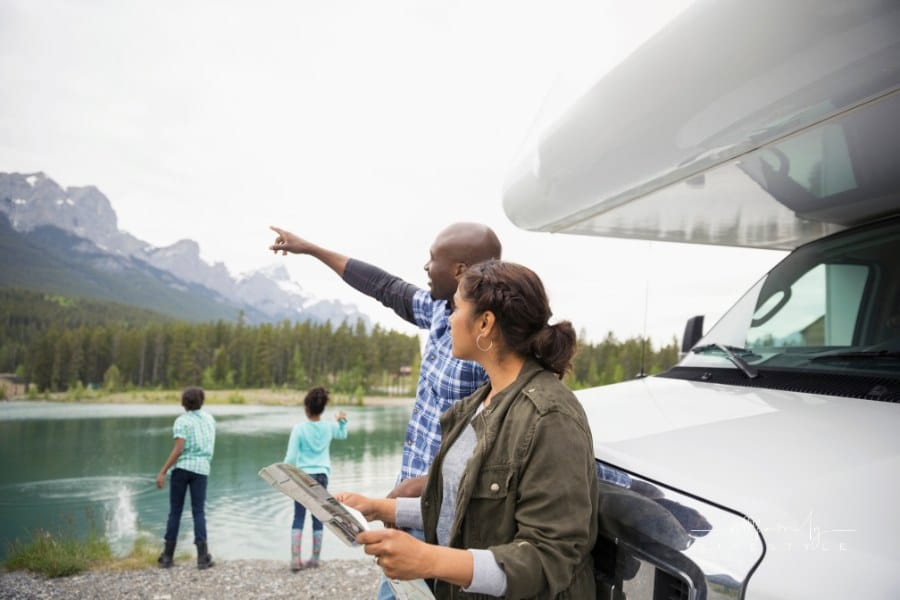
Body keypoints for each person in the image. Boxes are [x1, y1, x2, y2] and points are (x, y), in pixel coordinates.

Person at [337, 260, 600, 599]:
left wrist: (428, 559)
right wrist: (378, 508)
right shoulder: (476, 405)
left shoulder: (550, 417)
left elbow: (550, 557)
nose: (449, 319)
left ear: (485, 323)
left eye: (457, 308)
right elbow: (459, 507)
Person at [270, 222, 501, 599]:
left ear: (460, 270)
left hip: (447, 515)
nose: (425, 267)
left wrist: (428, 482)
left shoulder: (490, 335)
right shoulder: (443, 311)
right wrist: (310, 248)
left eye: (433, 259)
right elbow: (384, 286)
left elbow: (498, 440)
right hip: (409, 506)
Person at [283, 386, 348, 571]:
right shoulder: (328, 427)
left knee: (298, 516)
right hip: (322, 476)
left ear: (306, 408)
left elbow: (291, 457)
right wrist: (342, 422)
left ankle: (295, 560)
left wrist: (285, 473)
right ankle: (315, 559)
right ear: (322, 409)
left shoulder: (299, 429)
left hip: (302, 476)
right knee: (318, 517)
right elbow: (342, 434)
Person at [155, 386, 216, 570]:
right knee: (199, 511)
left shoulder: (181, 421)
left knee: (175, 511)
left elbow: (179, 449)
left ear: (184, 403)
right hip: (202, 470)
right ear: (201, 401)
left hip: (182, 469)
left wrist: (163, 471)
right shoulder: (209, 419)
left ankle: (167, 557)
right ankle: (202, 557)